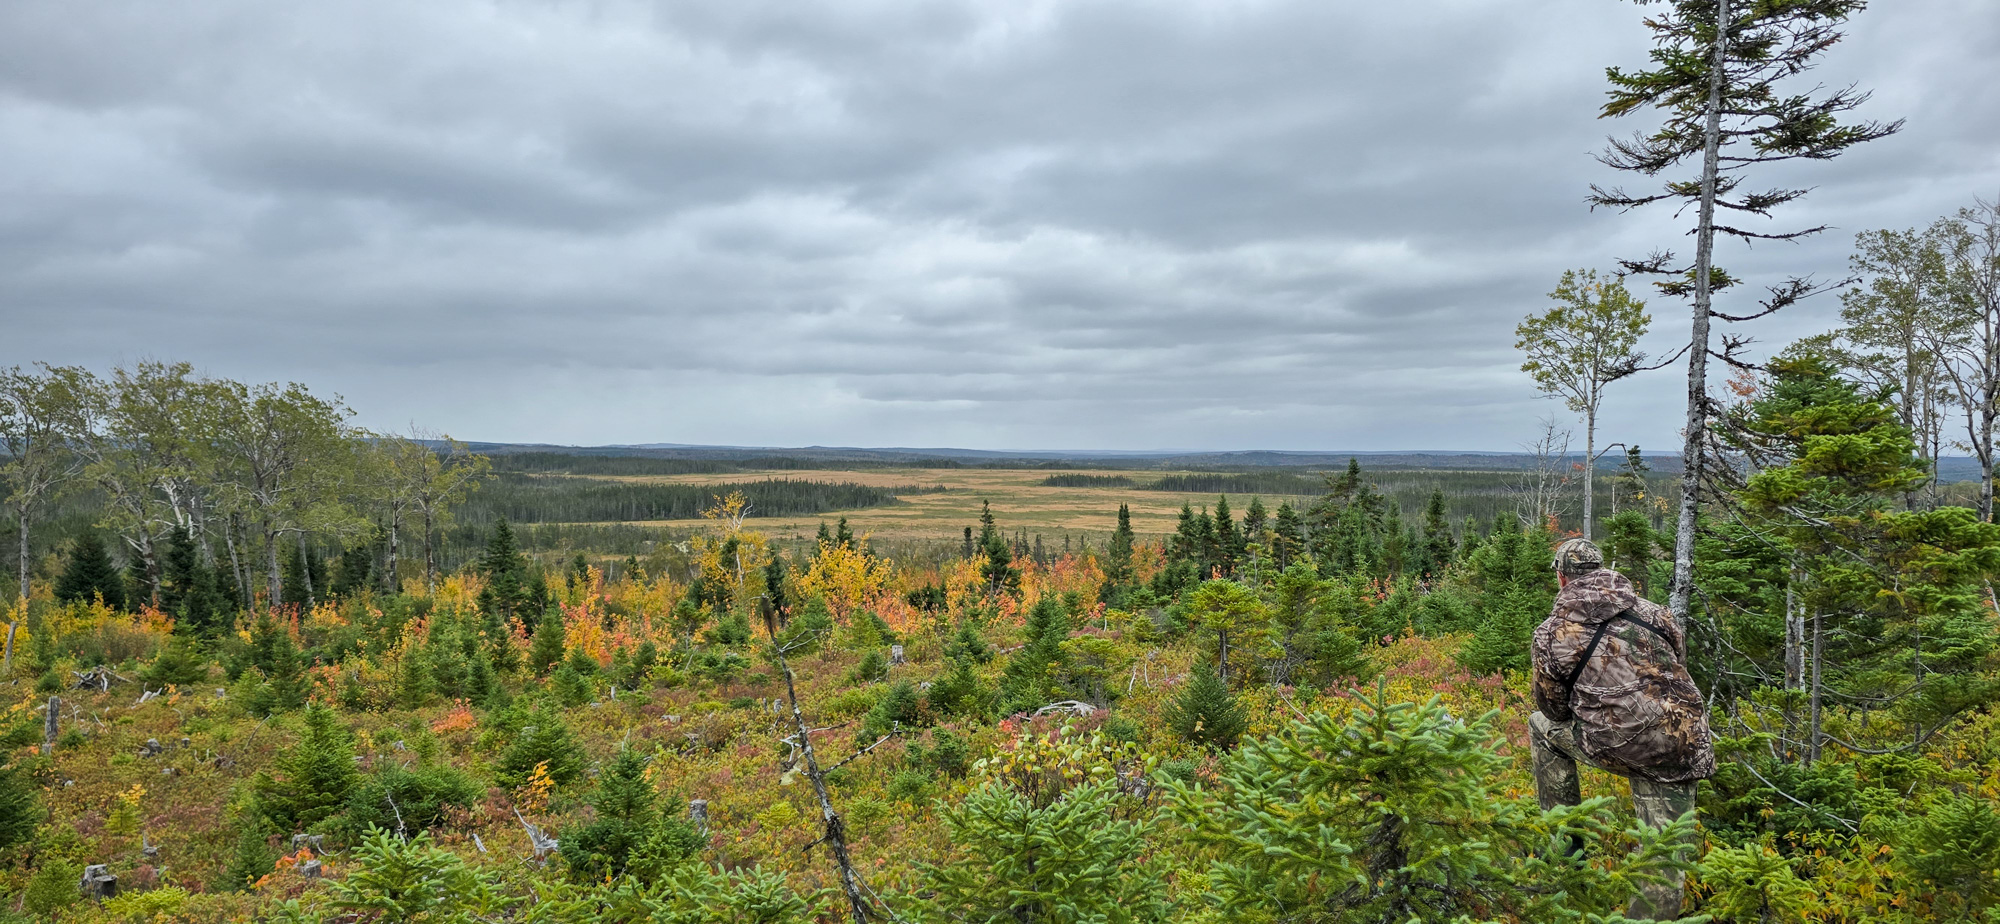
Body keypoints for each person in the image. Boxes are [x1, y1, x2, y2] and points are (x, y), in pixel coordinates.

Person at [1530, 538, 1714, 920]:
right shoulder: (1657, 613)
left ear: (1562, 578)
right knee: (1664, 854)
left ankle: (1565, 854)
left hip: (1614, 743)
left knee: (1540, 725)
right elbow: (1677, 663)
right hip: (1683, 738)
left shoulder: (1552, 633)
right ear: (1602, 572)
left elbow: (1553, 709)